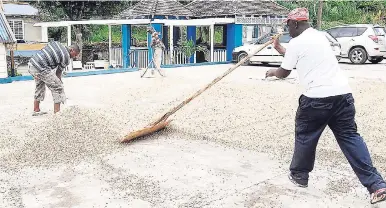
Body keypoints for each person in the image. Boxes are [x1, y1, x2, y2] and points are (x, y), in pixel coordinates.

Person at [266, 8, 386, 205]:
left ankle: (300, 175)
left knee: (305, 135)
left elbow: (284, 72)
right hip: (343, 96)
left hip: (316, 99)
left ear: (295, 24)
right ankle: (377, 185)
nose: (288, 29)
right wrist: (281, 50)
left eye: (288, 25)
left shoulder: (297, 42)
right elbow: (300, 57)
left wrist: (272, 72)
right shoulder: (319, 36)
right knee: (350, 138)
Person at [28, 41, 80, 115]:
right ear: (71, 50)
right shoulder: (66, 57)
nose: (74, 57)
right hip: (41, 68)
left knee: (40, 85)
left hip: (32, 64)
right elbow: (58, 73)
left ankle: (36, 109)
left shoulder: (57, 43)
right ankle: (57, 113)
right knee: (57, 87)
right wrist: (60, 84)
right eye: (75, 55)